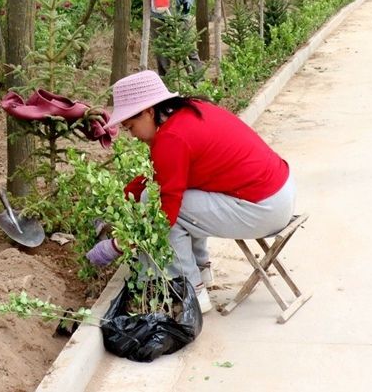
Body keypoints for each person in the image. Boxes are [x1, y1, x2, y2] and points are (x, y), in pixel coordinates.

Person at [85, 70, 296, 313]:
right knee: (168, 196)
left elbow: (164, 215)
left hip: (264, 209)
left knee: (161, 206)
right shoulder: (189, 112)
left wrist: (118, 245)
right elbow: (161, 175)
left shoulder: (171, 138)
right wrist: (117, 204)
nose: (132, 135)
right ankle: (201, 270)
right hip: (279, 192)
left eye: (131, 126)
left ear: (148, 112)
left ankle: (191, 293)